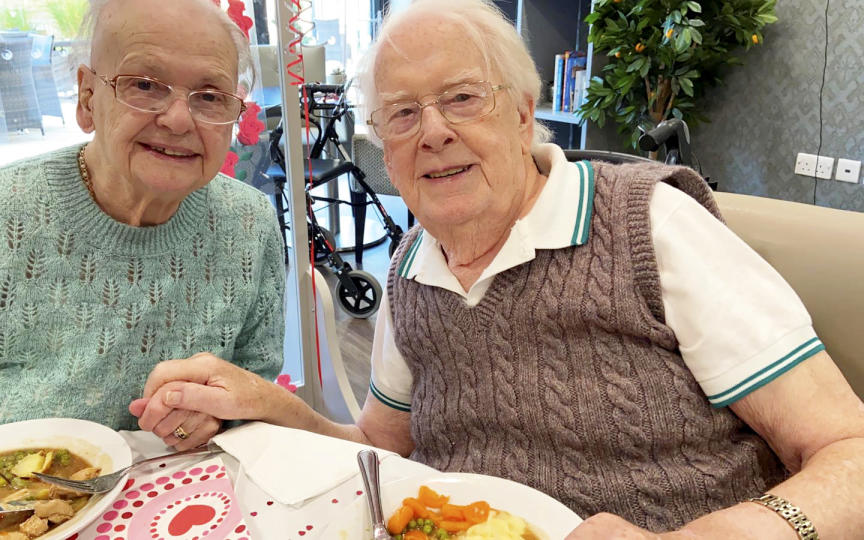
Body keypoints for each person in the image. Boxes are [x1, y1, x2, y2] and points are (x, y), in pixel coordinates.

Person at [132, 0, 864, 537]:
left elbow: (847, 450)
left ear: (522, 112)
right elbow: (383, 450)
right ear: (383, 147)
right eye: (404, 114)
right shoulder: (411, 269)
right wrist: (262, 400)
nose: (436, 132)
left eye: (461, 99)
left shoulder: (651, 225)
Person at [0, 0, 285, 450]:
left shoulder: (250, 223)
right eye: (144, 85)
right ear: (87, 99)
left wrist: (216, 421)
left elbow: (254, 387)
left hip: (181, 499)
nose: (180, 119)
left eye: (210, 96)